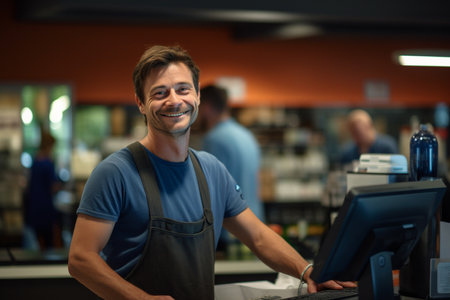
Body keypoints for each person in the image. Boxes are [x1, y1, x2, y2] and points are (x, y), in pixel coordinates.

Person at [68, 45, 355, 300]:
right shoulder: (115, 172)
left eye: (183, 89)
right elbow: (81, 259)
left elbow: (257, 235)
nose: (174, 100)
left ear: (197, 95)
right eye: (159, 93)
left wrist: (307, 270)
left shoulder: (211, 170)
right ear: (141, 103)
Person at [197, 85, 264, 252]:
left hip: (230, 230)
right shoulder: (246, 135)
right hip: (255, 226)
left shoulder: (214, 139)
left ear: (206, 107)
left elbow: (210, 190)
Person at [24, 130, 60, 250]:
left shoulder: (35, 160)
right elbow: (53, 187)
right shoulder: (48, 163)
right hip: (45, 206)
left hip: (34, 206)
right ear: (50, 146)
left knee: (37, 242)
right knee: (49, 244)